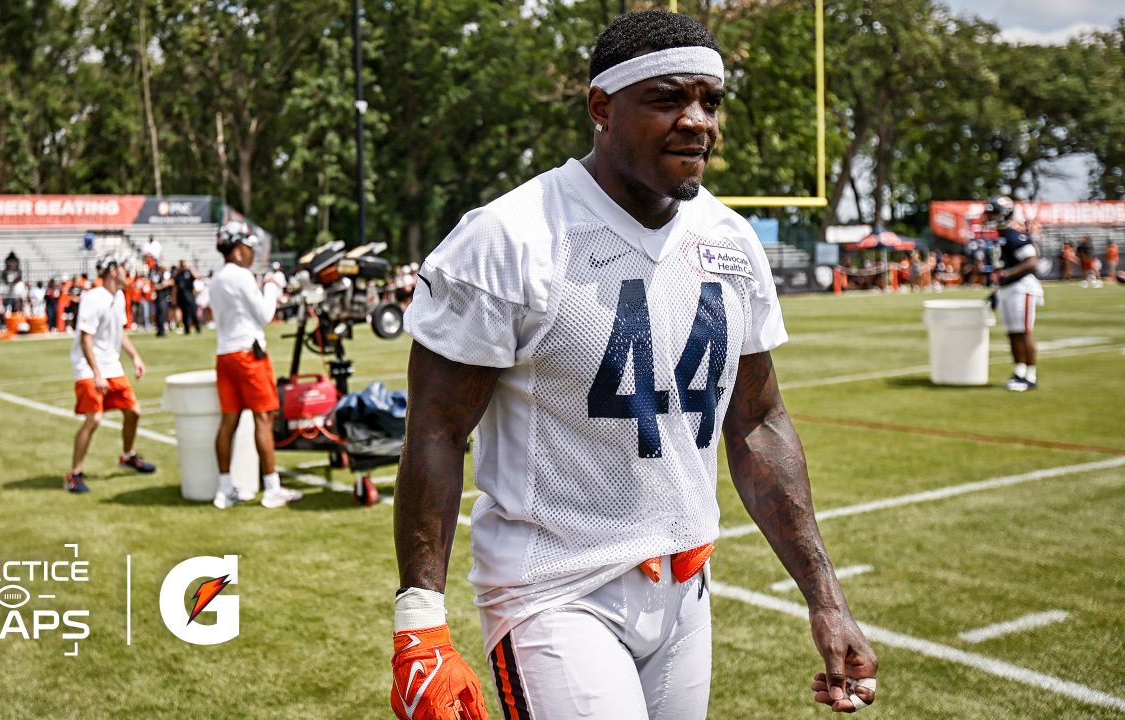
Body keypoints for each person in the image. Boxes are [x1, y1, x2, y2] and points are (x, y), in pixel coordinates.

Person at [389, 12, 878, 720]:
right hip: (554, 593)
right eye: (667, 98)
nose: (697, 121)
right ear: (601, 107)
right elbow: (435, 432)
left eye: (709, 101)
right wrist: (419, 623)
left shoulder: (731, 240)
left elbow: (759, 424)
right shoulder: (510, 238)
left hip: (687, 589)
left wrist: (825, 600)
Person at [207, 221, 302, 510]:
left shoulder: (216, 278)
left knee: (229, 422)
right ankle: (272, 487)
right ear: (237, 250)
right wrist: (272, 287)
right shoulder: (240, 275)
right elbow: (264, 314)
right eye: (247, 247)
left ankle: (225, 489)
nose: (250, 253)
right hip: (248, 353)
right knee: (264, 418)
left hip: (225, 355)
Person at [65, 254, 155, 493]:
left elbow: (120, 331)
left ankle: (127, 456)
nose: (127, 273)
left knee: (134, 412)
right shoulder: (94, 298)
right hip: (89, 367)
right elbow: (86, 339)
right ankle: (74, 474)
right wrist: (96, 373)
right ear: (113, 271)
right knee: (94, 419)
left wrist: (135, 357)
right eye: (124, 268)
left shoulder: (119, 296)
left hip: (111, 366)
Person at [986, 196, 1043, 392]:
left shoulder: (1013, 235)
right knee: (1012, 333)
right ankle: (1019, 372)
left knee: (1023, 331)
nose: (989, 216)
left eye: (992, 212)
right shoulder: (1000, 236)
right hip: (1007, 289)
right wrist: (997, 290)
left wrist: (1008, 274)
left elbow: (1031, 262)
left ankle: (1030, 376)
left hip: (1022, 287)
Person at [175, 259, 200, 334]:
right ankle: (187, 330)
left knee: (193, 312)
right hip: (181, 296)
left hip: (190, 295)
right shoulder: (178, 274)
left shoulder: (189, 272)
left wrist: (190, 269)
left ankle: (198, 328)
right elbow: (175, 286)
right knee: (184, 314)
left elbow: (197, 277)